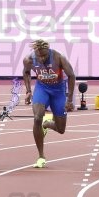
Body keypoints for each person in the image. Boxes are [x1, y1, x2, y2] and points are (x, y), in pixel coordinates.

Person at [22, 39, 76, 169]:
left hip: (58, 91)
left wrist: (69, 99)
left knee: (61, 129)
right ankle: (41, 156)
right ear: (35, 52)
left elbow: (71, 75)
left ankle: (46, 124)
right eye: (39, 56)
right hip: (42, 89)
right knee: (37, 118)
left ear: (49, 51)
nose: (41, 58)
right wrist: (28, 91)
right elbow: (26, 72)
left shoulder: (59, 57)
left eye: (44, 55)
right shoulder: (29, 59)